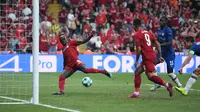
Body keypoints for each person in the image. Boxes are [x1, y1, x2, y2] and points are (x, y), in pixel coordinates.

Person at [52, 29, 112, 95]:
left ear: (66, 38)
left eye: (64, 39)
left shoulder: (72, 42)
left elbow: (83, 41)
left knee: (85, 70)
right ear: (61, 41)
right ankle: (61, 91)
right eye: (62, 40)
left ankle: (104, 71)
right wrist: (65, 67)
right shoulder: (63, 49)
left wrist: (91, 35)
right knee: (61, 77)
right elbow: (65, 59)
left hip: (76, 61)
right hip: (70, 66)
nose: (63, 40)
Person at [128, 18, 173, 98]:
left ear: (134, 26)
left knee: (150, 76)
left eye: (133, 26)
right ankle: (136, 93)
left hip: (147, 58)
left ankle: (167, 85)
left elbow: (138, 49)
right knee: (138, 73)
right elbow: (158, 44)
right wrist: (160, 56)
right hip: (151, 56)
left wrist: (136, 60)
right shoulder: (148, 33)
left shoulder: (137, 35)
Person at [150, 16, 182, 91]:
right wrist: (154, 43)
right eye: (160, 20)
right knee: (152, 65)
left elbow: (170, 42)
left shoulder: (168, 30)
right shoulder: (159, 29)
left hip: (169, 53)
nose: (160, 22)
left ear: (165, 22)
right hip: (161, 52)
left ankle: (179, 85)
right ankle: (157, 83)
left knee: (170, 73)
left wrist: (159, 45)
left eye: (162, 21)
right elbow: (158, 39)